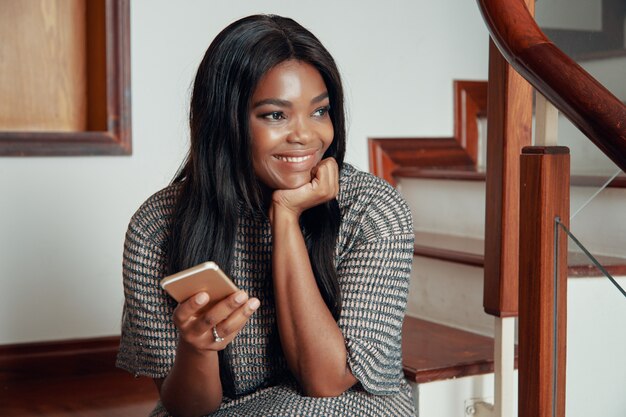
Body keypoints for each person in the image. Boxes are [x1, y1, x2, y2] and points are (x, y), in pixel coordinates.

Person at [117, 14, 416, 417]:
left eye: (320, 111)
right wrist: (197, 349)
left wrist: (286, 215)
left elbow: (326, 381)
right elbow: (187, 409)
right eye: (275, 115)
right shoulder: (157, 226)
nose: (306, 135)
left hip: (345, 404)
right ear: (225, 120)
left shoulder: (373, 210)